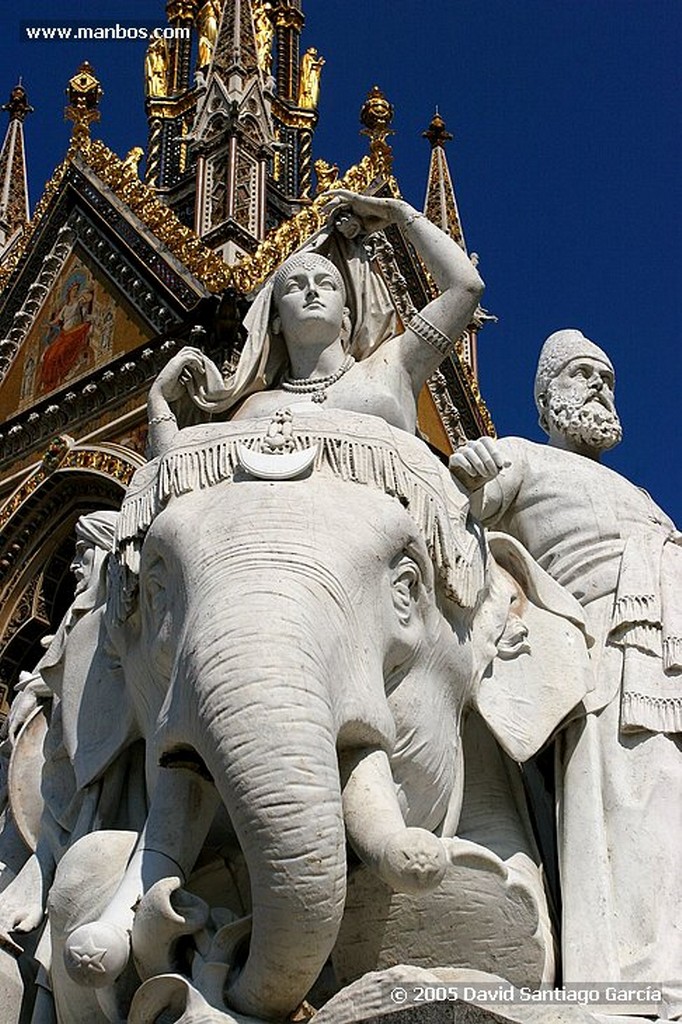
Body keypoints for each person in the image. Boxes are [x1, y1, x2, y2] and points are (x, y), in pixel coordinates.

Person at [450, 328, 682, 1017]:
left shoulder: (639, 492)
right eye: (583, 375)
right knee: (633, 798)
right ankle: (634, 982)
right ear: (548, 398)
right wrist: (466, 474)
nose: (600, 387)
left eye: (606, 377)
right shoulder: (521, 457)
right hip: (611, 648)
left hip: (669, 641)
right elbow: (448, 513)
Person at [146, 189, 484, 458]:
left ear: (347, 315)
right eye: (295, 286)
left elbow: (466, 288)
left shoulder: (392, 366)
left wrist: (397, 212)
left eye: (326, 283)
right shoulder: (255, 409)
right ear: (275, 321)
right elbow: (181, 478)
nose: (311, 291)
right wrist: (159, 401)